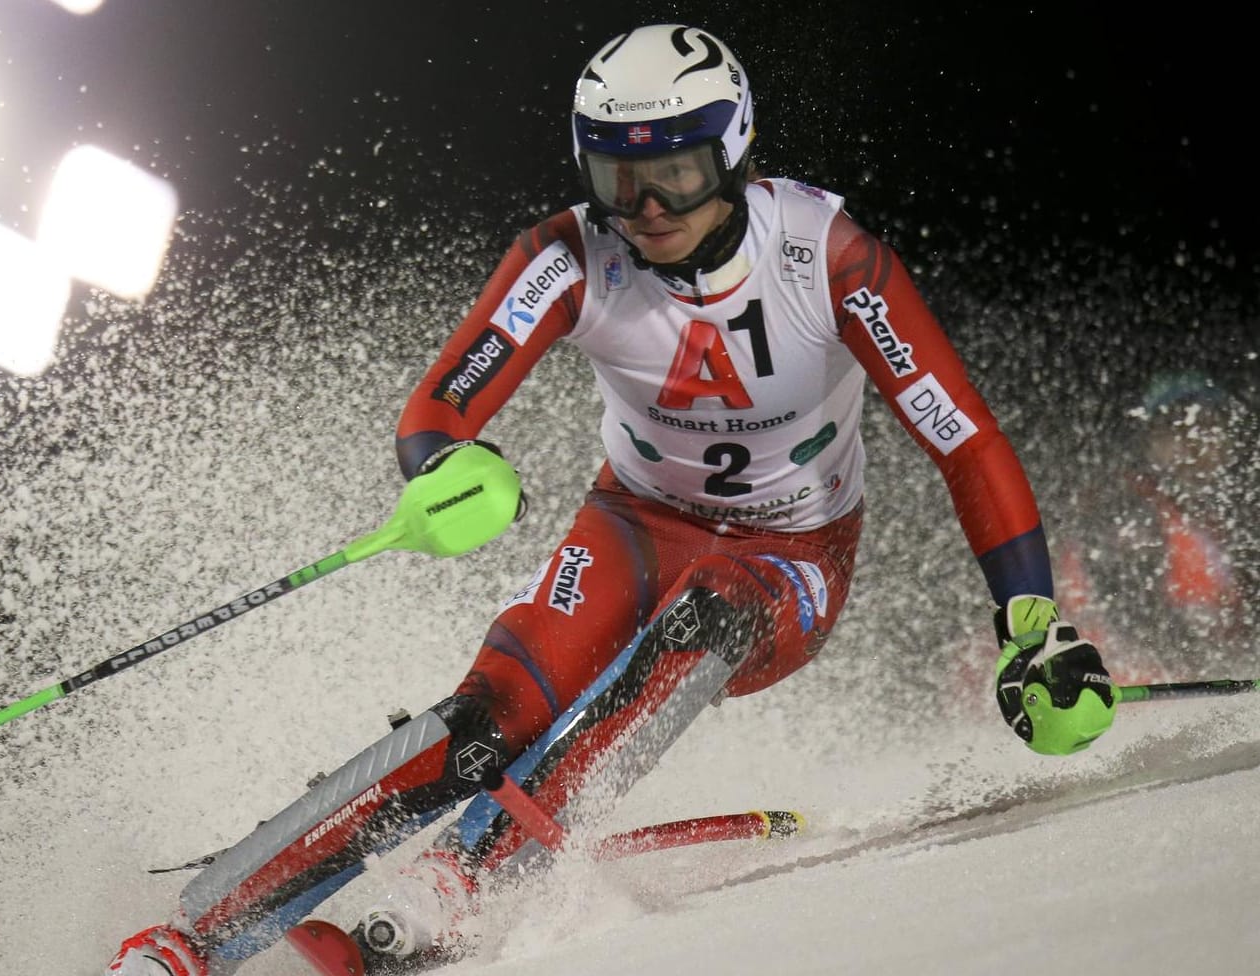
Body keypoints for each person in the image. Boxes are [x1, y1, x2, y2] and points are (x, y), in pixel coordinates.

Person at [107, 24, 1116, 976]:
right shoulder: (568, 253)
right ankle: (196, 938)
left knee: (706, 617)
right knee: (482, 725)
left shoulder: (827, 255)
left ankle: (464, 876)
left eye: (673, 173)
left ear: (733, 153)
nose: (646, 209)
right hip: (633, 524)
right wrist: (441, 467)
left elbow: (965, 437)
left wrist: (1029, 621)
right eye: (617, 177)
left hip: (791, 557)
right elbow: (440, 403)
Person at [1051, 369, 1256, 678]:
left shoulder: (1218, 514)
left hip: (1193, 675)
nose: (1195, 443)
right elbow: (1140, 625)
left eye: (1209, 426)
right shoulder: (1124, 510)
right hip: (1121, 682)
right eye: (1175, 429)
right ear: (1149, 442)